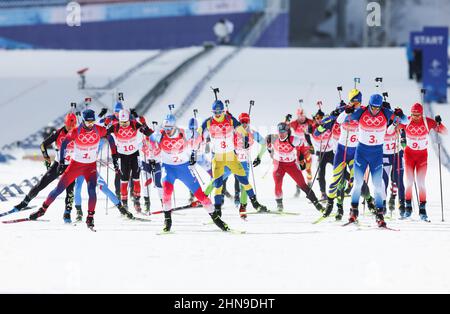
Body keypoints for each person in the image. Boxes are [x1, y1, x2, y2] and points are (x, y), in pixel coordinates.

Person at [29, 109, 118, 229]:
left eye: (92, 121)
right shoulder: (76, 131)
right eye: (88, 122)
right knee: (58, 189)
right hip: (75, 166)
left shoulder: (98, 129)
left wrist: (115, 155)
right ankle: (42, 210)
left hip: (90, 167)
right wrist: (61, 161)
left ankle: (90, 217)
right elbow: (64, 144)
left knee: (92, 191)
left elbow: (110, 138)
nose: (90, 124)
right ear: (83, 121)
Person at [154, 113, 230, 232]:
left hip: (184, 168)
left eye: (169, 128)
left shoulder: (184, 133)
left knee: (200, 195)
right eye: (165, 128)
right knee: (167, 192)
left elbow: (199, 138)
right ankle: (167, 221)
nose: (167, 131)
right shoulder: (160, 135)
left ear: (175, 126)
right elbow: (149, 140)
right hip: (169, 169)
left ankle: (217, 220)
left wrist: (195, 142)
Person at [342, 94, 407, 227]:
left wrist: (401, 114)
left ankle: (380, 214)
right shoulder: (361, 112)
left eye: (378, 108)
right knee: (358, 183)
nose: (375, 110)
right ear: (369, 104)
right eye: (373, 107)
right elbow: (343, 120)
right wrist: (346, 111)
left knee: (378, 185)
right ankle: (353, 211)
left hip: (377, 154)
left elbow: (405, 121)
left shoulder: (386, 112)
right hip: (361, 153)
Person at [199, 100, 268, 216]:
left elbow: (264, 143)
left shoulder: (252, 133)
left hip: (244, 162)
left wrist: (259, 157)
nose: (244, 124)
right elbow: (222, 133)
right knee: (215, 182)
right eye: (242, 122)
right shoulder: (233, 131)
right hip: (229, 160)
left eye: (246, 122)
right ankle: (202, 199)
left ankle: (243, 207)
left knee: (245, 184)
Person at [13, 112, 77, 222]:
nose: (71, 128)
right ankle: (24, 202)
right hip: (58, 164)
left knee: (70, 190)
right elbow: (43, 145)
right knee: (41, 184)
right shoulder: (58, 133)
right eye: (69, 125)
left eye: (73, 125)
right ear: (65, 123)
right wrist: (46, 157)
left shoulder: (77, 133)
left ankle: (67, 213)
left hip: (71, 166)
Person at [398, 103, 447, 220]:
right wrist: (398, 119)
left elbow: (444, 131)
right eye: (413, 114)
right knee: (409, 181)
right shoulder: (407, 121)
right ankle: (408, 208)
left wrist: (439, 124)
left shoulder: (427, 122)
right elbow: (394, 127)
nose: (415, 117)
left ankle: (422, 209)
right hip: (409, 155)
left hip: (422, 156)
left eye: (417, 115)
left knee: (420, 182)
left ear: (421, 114)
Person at [266, 121, 324, 213]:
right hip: (278, 165)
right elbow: (267, 143)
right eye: (279, 132)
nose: (281, 134)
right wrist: (269, 148)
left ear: (288, 131)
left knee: (303, 185)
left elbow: (303, 149)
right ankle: (279, 205)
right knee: (278, 184)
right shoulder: (273, 138)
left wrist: (303, 157)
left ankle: (317, 204)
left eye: (283, 132)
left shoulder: (294, 140)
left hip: (291, 165)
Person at [107, 109, 153, 213]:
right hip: (122, 156)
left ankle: (137, 201)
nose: (124, 124)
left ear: (129, 120)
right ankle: (124, 204)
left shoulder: (134, 124)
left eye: (126, 122)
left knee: (136, 179)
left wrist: (144, 124)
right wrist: (105, 125)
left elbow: (148, 133)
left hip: (134, 154)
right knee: (124, 180)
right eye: (122, 122)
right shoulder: (115, 126)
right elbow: (102, 133)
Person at [310, 109, 335, 201]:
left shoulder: (328, 125)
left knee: (340, 170)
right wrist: (310, 146)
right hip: (321, 154)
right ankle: (323, 193)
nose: (319, 119)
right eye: (317, 118)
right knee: (321, 174)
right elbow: (307, 133)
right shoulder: (313, 127)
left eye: (321, 117)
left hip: (331, 152)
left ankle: (348, 185)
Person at [289, 107, 314, 196]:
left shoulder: (309, 122)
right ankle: (298, 188)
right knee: (299, 169)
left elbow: (318, 124)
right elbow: (284, 126)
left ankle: (309, 185)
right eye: (300, 116)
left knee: (308, 168)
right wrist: (286, 120)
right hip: (298, 150)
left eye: (303, 116)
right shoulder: (295, 123)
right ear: (297, 116)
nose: (302, 118)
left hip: (307, 149)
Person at [141, 134, 163, 214]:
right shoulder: (142, 144)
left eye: (150, 141)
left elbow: (162, 154)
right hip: (146, 163)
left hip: (156, 163)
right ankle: (147, 203)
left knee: (158, 183)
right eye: (147, 141)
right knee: (147, 182)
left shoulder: (158, 144)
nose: (149, 143)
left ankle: (164, 203)